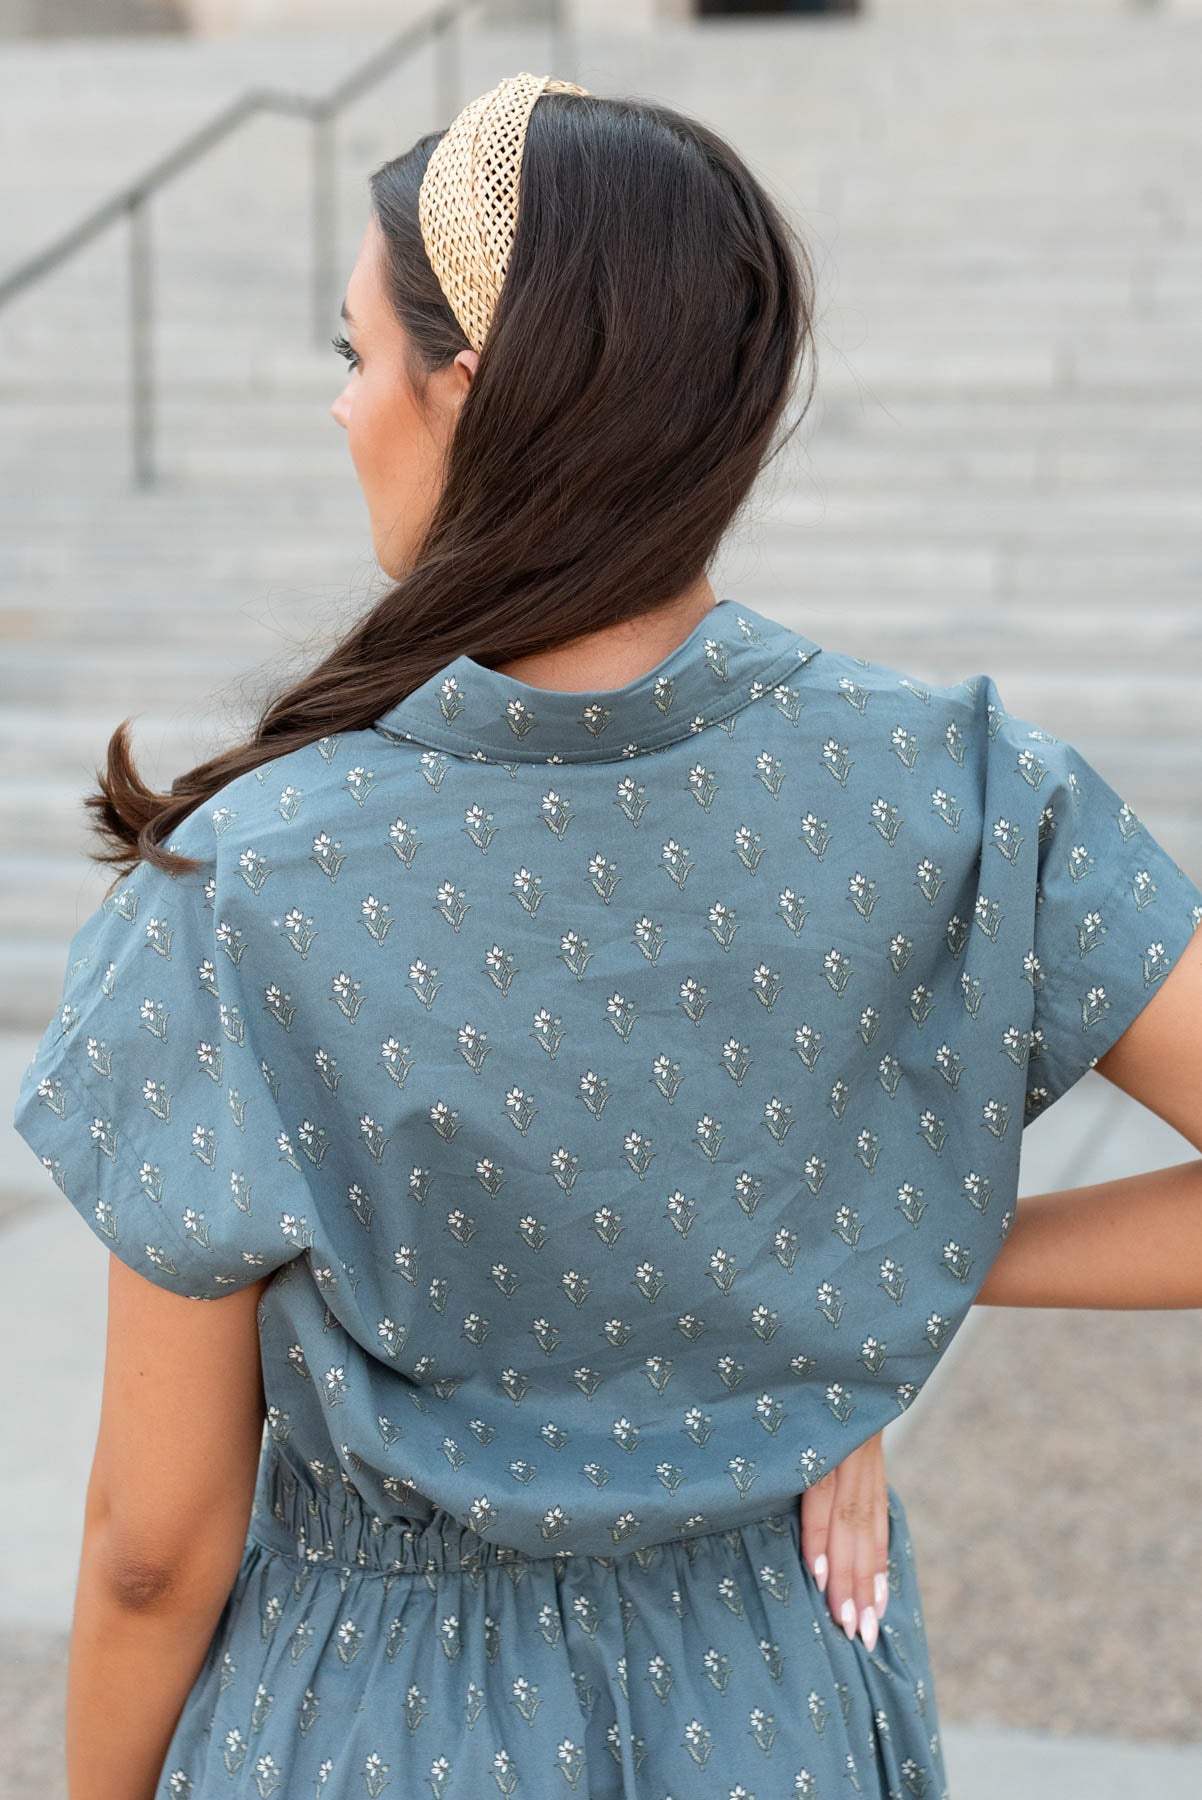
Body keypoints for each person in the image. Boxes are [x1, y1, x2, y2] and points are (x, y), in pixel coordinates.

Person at [12, 69, 1202, 1800]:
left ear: (473, 394)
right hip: (784, 1699)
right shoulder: (952, 790)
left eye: (355, 354)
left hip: (371, 1726)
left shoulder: (246, 882)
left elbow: (148, 1547)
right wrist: (879, 1275)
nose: (345, 408)